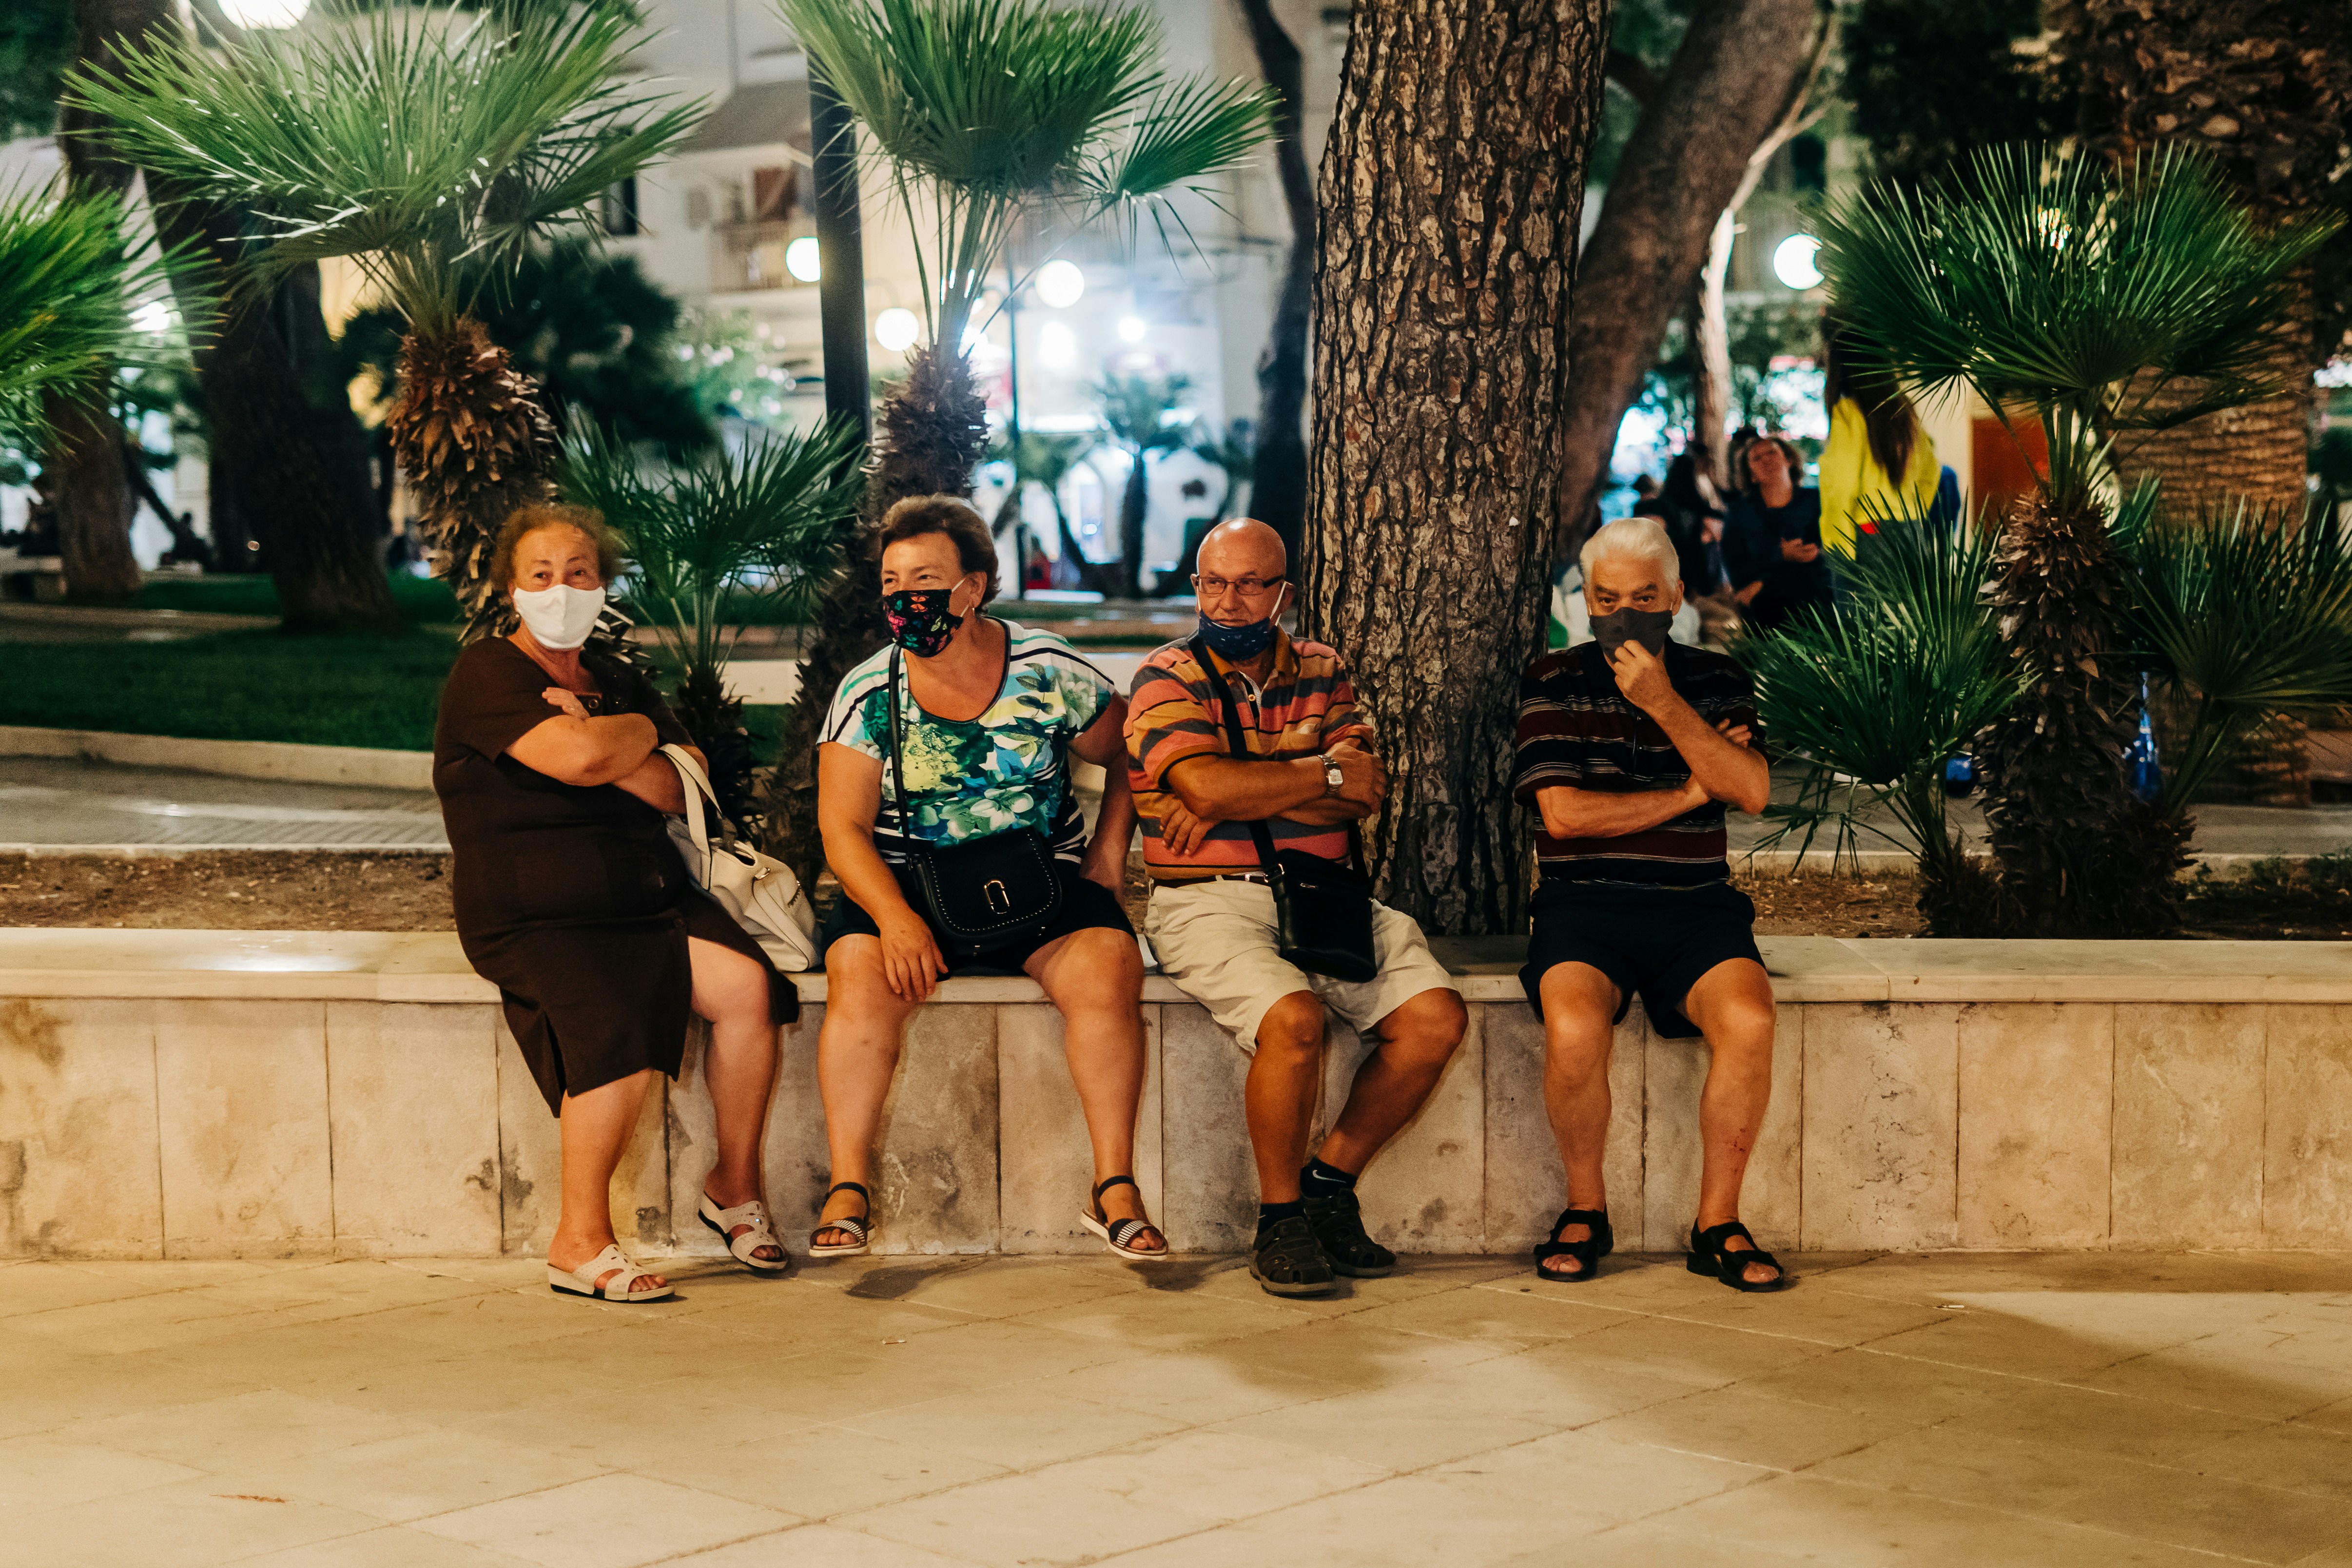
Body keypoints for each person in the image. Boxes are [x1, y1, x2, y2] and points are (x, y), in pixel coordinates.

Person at [434, 503, 797, 1303]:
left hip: (645, 896)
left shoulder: (618, 679)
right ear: (510, 588)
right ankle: (579, 1243)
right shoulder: (489, 673)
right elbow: (581, 762)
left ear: (603, 585)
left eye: (579, 573)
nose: (561, 589)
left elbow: (680, 781)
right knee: (619, 1027)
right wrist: (619, 744)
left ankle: (731, 1187)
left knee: (749, 990)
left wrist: (611, 730)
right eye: (541, 575)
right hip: (537, 912)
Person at [812, 495, 1165, 1260]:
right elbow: (840, 829)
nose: (907, 597)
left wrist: (1108, 852)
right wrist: (895, 919)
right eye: (892, 580)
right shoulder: (868, 694)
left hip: (1035, 879)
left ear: (971, 589)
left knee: (1109, 965)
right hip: (905, 882)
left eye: (927, 578)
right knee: (857, 970)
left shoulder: (1046, 669)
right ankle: (848, 1187)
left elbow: (1132, 749)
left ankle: (1113, 1189)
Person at [1125, 518, 1467, 1298]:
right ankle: (1279, 1219)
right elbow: (1205, 788)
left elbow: (1364, 793)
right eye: (1214, 582)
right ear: (1196, 585)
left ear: (1283, 590)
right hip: (1202, 902)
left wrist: (1236, 791)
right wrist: (1311, 776)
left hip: (1323, 896)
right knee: (1293, 1020)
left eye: (1250, 584)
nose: (1230, 601)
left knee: (1435, 1018)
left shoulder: (1322, 667)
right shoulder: (1163, 676)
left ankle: (1327, 1183)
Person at [1513, 517, 1788, 1293]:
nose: (1623, 615)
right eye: (1606, 599)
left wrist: (1667, 705)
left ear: (1673, 597)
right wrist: (1691, 791)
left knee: (1751, 1022)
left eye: (1642, 597)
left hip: (1696, 906)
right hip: (1582, 903)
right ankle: (1584, 1208)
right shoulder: (1554, 680)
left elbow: (1755, 791)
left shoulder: (1716, 680)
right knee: (1573, 1027)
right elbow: (1564, 817)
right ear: (1585, 602)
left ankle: (1717, 1222)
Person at [1819, 317, 1941, 555]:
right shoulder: (1904, 412)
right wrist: (1914, 511)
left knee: (1860, 595)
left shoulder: (1848, 413)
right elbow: (1932, 470)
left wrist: (1838, 544)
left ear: (1841, 367)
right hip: (1912, 530)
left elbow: (1843, 484)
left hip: (1867, 530)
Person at [1722, 435, 1833, 632]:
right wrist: (1781, 555)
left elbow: (1818, 557)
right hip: (1766, 613)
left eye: (1772, 452)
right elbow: (1737, 568)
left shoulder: (1816, 501)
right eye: (1757, 458)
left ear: (1789, 460)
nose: (1766, 460)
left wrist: (1764, 580)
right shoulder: (1740, 513)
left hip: (1817, 601)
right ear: (1752, 475)